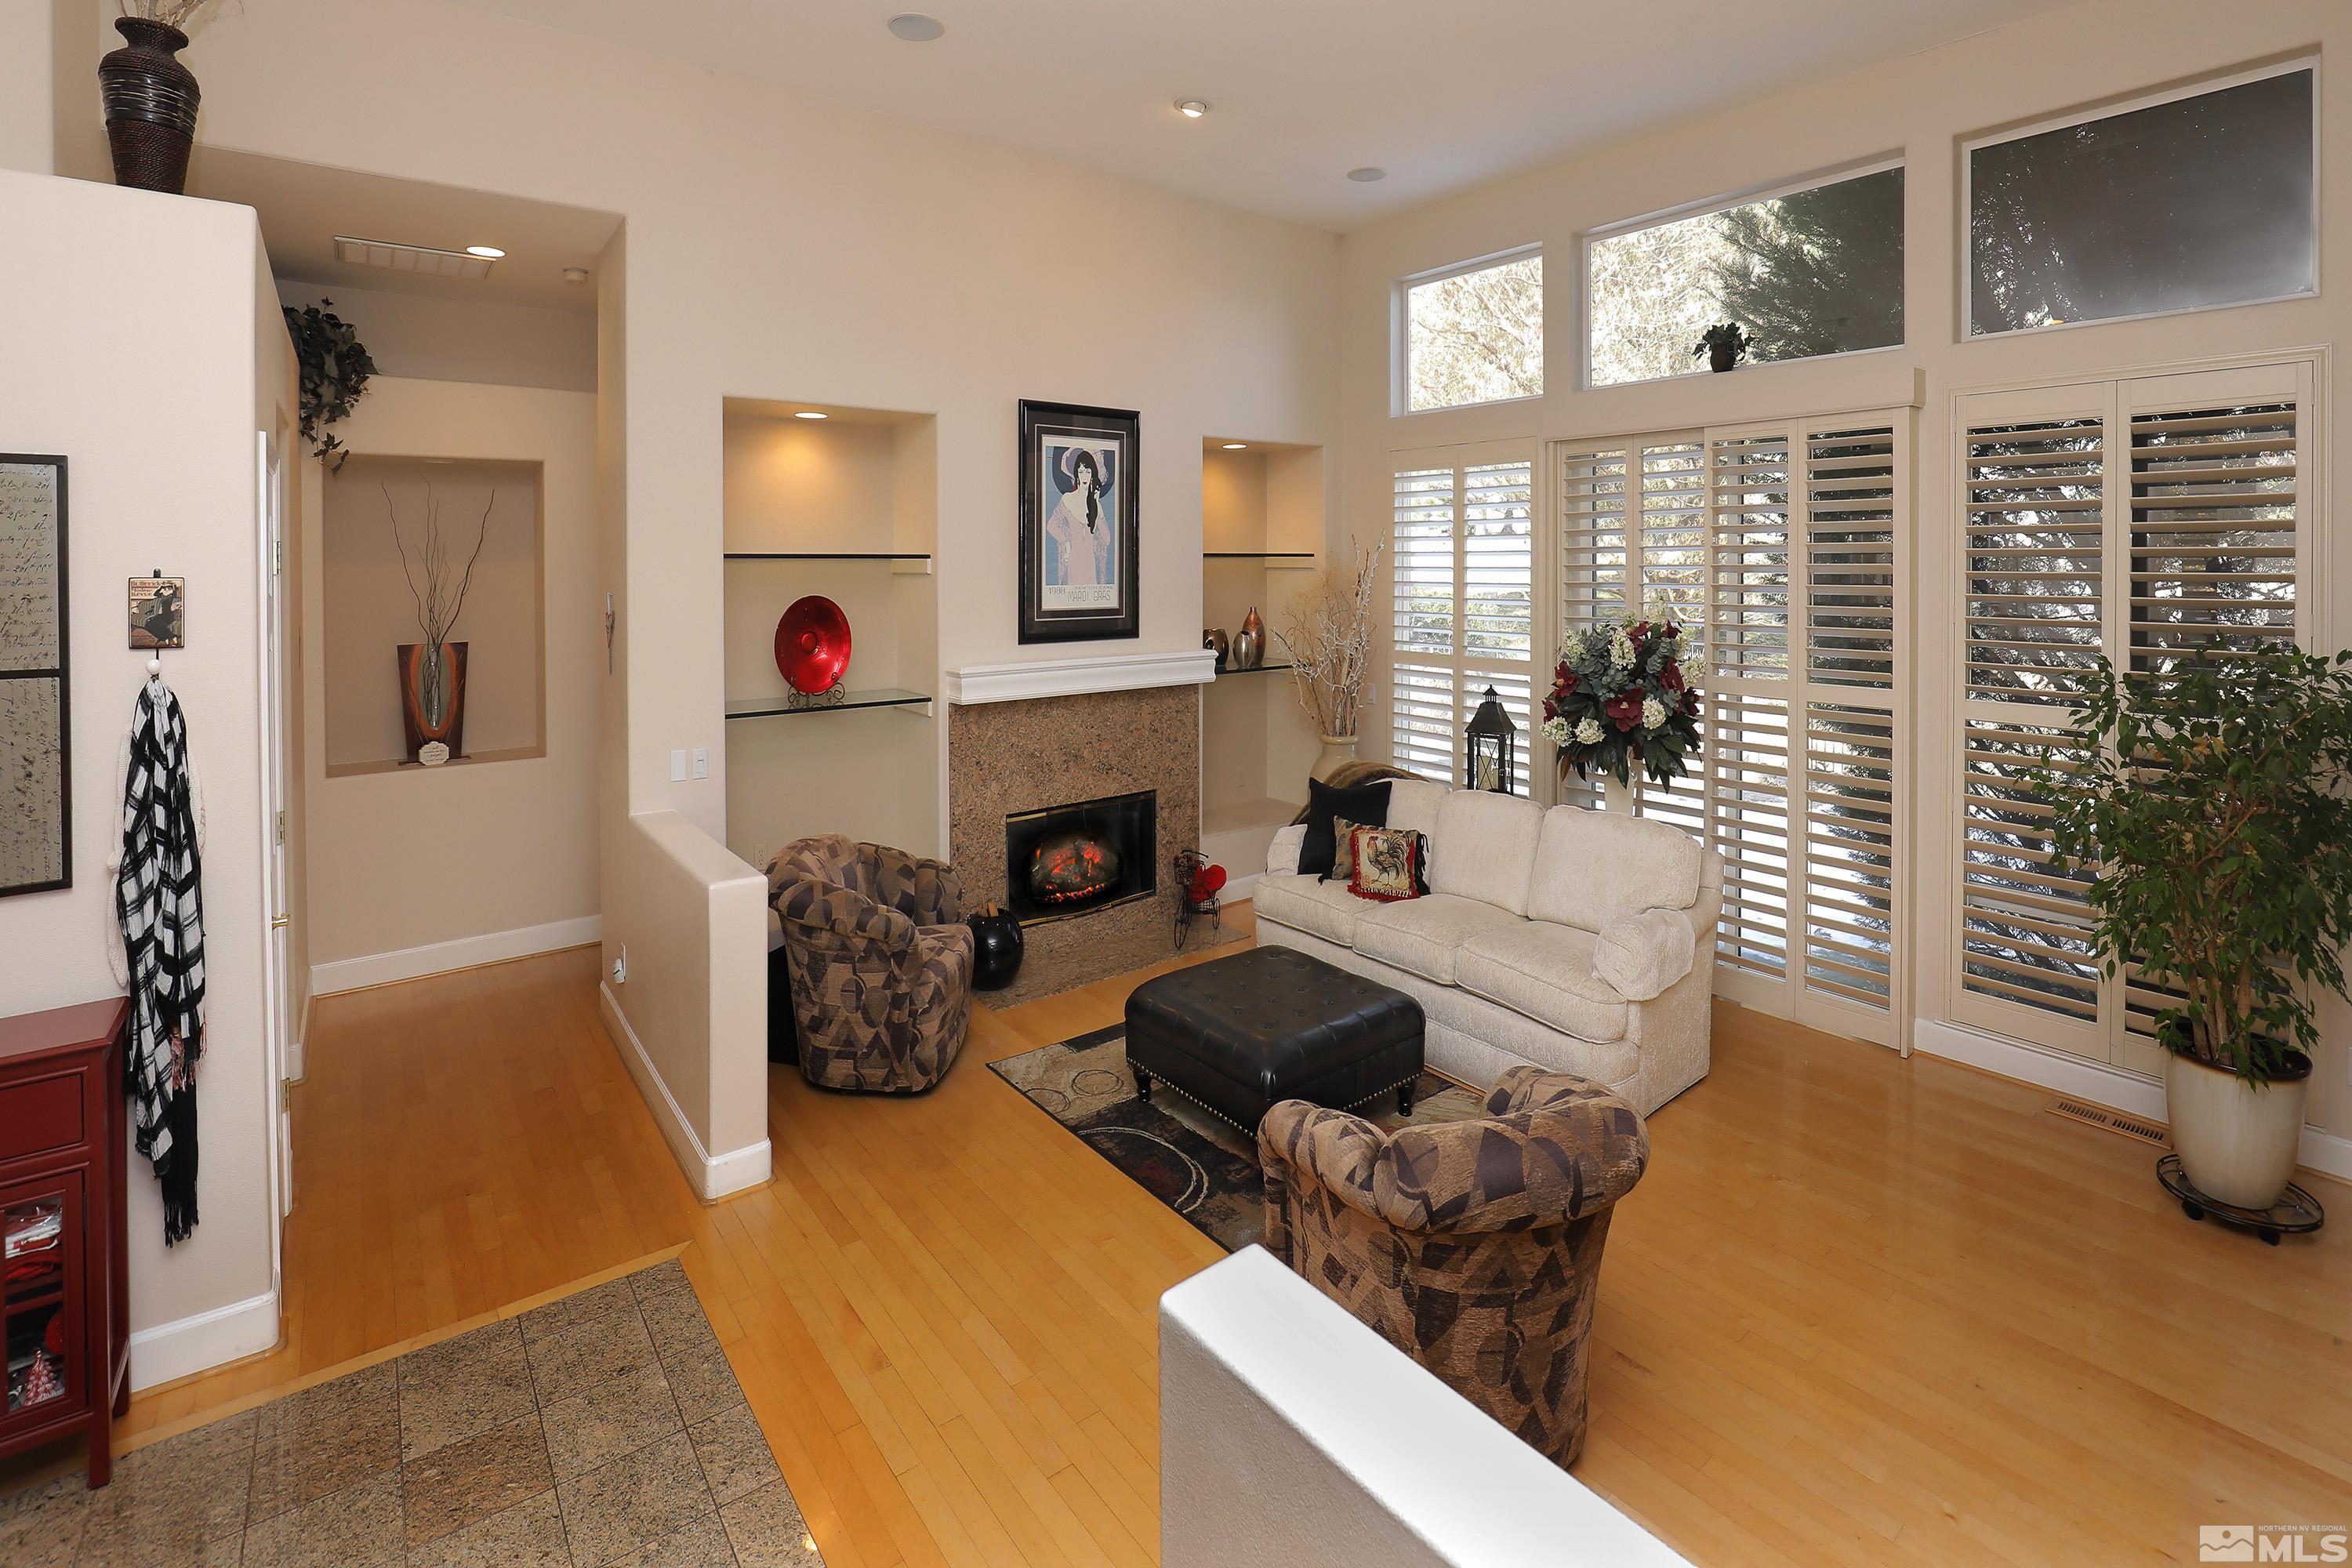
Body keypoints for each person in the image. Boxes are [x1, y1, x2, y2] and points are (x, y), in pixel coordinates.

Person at [1044, 445, 1116, 594]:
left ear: (1093, 474)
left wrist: (1096, 506)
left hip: (1090, 564)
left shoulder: (1097, 505)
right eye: (1081, 471)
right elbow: (1050, 525)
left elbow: (1107, 540)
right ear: (1076, 473)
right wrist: (1065, 540)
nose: (1084, 476)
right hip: (1073, 561)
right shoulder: (1067, 499)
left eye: (1088, 472)